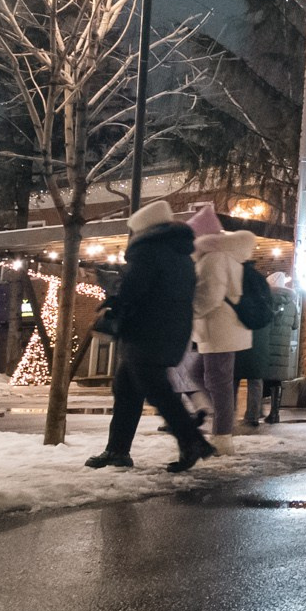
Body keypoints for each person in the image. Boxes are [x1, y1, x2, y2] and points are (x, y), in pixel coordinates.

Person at [84, 201, 213, 472]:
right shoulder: (181, 254)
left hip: (146, 332)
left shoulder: (148, 251)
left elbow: (134, 290)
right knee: (127, 388)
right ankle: (117, 450)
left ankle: (193, 441)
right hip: (170, 331)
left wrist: (115, 302)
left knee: (157, 391)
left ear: (142, 230)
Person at [189, 204, 255, 447]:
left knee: (219, 382)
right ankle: (220, 417)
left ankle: (222, 436)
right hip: (222, 328)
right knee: (199, 374)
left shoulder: (214, 257)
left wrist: (191, 310)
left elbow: (210, 295)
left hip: (219, 327)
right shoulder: (226, 256)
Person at [242, 269, 299, 427]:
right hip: (282, 349)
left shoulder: (265, 301)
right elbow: (295, 325)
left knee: (257, 379)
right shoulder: (292, 304)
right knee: (276, 380)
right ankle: (275, 413)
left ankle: (255, 412)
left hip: (266, 345)